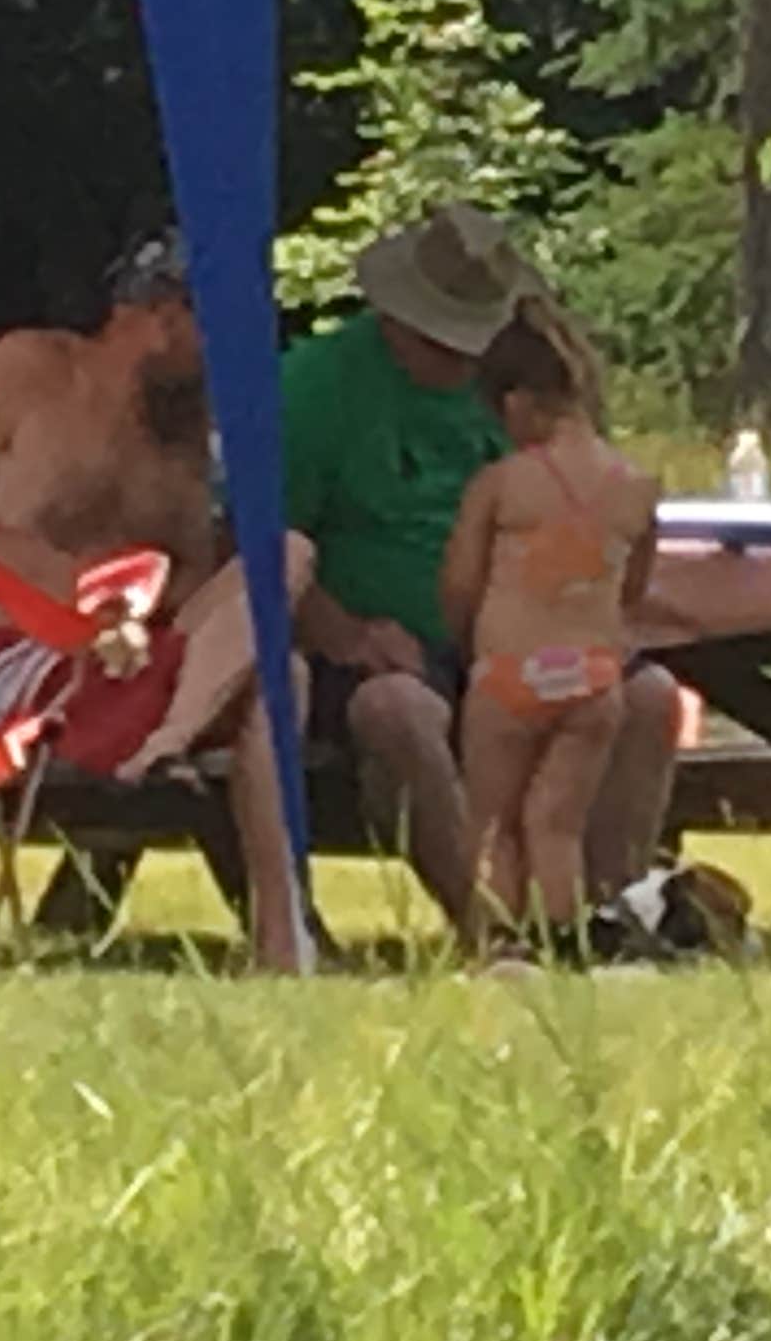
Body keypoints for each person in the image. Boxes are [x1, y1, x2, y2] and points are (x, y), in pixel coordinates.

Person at [279, 202, 680, 937]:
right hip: (392, 644)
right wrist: (345, 632)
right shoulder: (316, 386)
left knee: (650, 697)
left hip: (534, 631)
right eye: (443, 341)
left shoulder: (529, 384)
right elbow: (262, 542)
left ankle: (609, 915)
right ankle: (492, 926)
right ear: (397, 318)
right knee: (394, 712)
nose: (463, 362)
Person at [0, 239, 312, 970]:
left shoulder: (188, 438)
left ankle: (283, 938)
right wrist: (82, 592)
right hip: (21, 661)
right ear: (158, 315)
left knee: (285, 579)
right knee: (268, 684)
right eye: (218, 332)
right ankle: (171, 751)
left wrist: (149, 603)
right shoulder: (31, 370)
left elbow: (191, 578)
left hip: (131, 664)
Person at [441, 294, 658, 951]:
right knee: (556, 823)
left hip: (509, 675)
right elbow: (635, 590)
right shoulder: (639, 486)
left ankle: (499, 941)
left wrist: (465, 640)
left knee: (493, 821)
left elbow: (459, 582)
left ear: (515, 405)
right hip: (594, 677)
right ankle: (565, 940)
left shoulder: (501, 483)